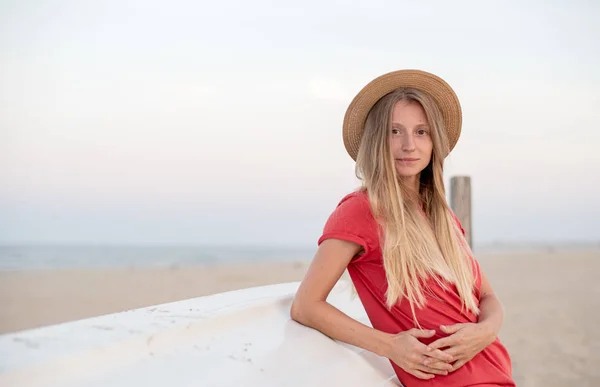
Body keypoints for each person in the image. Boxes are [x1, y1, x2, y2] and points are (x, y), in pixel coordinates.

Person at [290, 69, 515, 387]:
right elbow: (306, 306)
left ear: (434, 141)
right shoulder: (361, 210)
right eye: (394, 132)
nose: (409, 145)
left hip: (496, 371)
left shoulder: (442, 216)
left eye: (421, 132)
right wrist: (390, 346)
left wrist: (486, 330)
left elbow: (487, 295)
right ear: (376, 141)